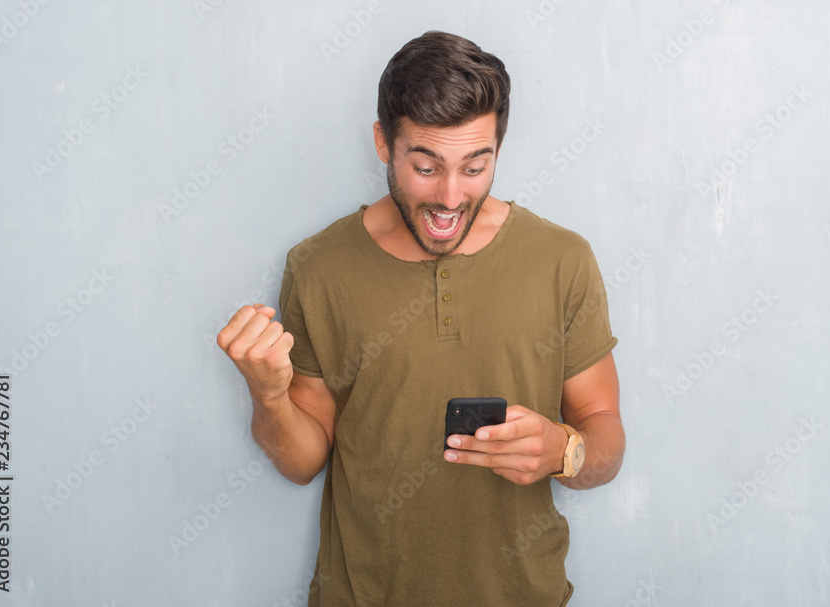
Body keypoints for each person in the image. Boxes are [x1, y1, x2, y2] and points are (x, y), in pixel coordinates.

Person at [217, 30, 625, 606]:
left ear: (498, 150)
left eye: (475, 166)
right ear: (384, 143)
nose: (452, 197)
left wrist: (565, 450)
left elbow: (605, 430)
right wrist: (268, 395)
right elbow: (302, 461)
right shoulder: (317, 266)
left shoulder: (563, 260)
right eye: (426, 166)